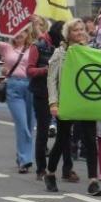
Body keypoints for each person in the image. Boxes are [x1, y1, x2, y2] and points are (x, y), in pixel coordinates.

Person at [45, 18, 101, 196]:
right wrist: (53, 102)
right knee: (62, 139)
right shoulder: (59, 53)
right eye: (75, 30)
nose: (79, 32)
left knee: (90, 140)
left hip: (85, 101)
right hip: (66, 101)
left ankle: (93, 180)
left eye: (81, 29)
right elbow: (52, 80)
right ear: (68, 34)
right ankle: (50, 173)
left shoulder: (89, 52)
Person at [0, 14, 37, 173]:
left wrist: (35, 23)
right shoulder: (6, 47)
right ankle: (25, 160)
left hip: (31, 86)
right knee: (22, 124)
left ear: (27, 33)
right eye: (16, 32)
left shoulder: (34, 47)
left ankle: (22, 156)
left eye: (23, 32)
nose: (19, 35)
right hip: (13, 86)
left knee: (30, 125)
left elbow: (45, 42)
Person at [32, 19, 67, 180]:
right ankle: (41, 168)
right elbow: (29, 70)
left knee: (65, 133)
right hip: (42, 93)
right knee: (43, 131)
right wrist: (45, 70)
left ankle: (67, 168)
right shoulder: (38, 46)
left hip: (63, 93)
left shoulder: (66, 49)